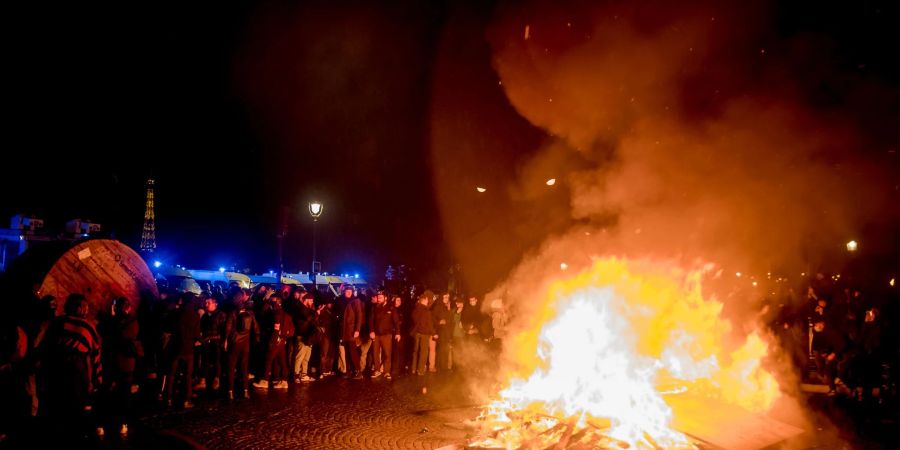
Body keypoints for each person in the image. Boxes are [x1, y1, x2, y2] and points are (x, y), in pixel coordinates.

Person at [39, 294, 102, 437]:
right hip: (74, 372)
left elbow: (46, 348)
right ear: (78, 307)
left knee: (60, 407)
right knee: (73, 408)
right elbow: (95, 354)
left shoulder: (58, 322)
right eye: (84, 306)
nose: (86, 310)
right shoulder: (86, 326)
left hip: (60, 370)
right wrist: (97, 378)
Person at [99, 297, 141, 436]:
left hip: (110, 361)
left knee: (106, 391)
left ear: (115, 308)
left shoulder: (108, 322)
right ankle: (123, 423)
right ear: (128, 308)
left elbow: (102, 332)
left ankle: (102, 423)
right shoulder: (132, 322)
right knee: (124, 393)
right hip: (126, 363)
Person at [165, 294, 201, 408]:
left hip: (175, 347)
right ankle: (186, 399)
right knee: (188, 375)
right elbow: (196, 334)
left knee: (171, 374)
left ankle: (168, 398)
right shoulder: (195, 315)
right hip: (188, 349)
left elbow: (168, 328)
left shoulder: (175, 313)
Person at [225, 291, 260, 400]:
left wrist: (225, 340)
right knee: (244, 368)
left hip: (234, 342)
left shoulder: (232, 312)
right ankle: (245, 391)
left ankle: (230, 392)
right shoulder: (250, 312)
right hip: (246, 343)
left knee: (231, 367)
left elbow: (228, 327)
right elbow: (256, 328)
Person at [198, 296, 226, 392]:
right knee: (205, 361)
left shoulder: (221, 315)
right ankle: (203, 381)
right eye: (206, 302)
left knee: (217, 361)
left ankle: (216, 379)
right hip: (206, 343)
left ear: (215, 303)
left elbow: (223, 332)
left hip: (216, 343)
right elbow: (201, 328)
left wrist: (209, 338)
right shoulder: (205, 316)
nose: (206, 305)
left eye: (208, 303)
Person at [370, 291, 399, 379]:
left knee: (387, 354)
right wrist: (371, 331)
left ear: (385, 298)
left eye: (381, 297)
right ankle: (377, 370)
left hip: (387, 334)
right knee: (375, 354)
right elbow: (371, 321)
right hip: (376, 335)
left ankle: (387, 372)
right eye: (378, 297)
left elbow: (396, 321)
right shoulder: (374, 308)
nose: (379, 299)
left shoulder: (391, 308)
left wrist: (398, 333)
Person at [337, 286, 364, 379]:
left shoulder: (355, 301)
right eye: (347, 291)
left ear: (352, 292)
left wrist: (357, 330)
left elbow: (359, 316)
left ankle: (358, 371)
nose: (348, 292)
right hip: (344, 331)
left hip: (351, 330)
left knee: (353, 352)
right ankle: (350, 371)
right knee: (347, 352)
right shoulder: (342, 300)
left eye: (350, 291)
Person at [410, 294, 435, 376]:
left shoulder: (415, 310)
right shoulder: (426, 311)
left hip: (416, 333)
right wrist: (433, 333)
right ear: (424, 300)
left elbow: (413, 321)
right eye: (427, 300)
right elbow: (430, 324)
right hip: (425, 333)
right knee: (423, 352)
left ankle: (413, 368)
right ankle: (420, 370)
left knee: (415, 351)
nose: (428, 301)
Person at [316, 301, 335, 377]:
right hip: (325, 335)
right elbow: (317, 320)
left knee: (330, 353)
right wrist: (320, 328)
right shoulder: (323, 311)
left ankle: (328, 369)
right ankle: (322, 370)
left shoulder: (333, 311)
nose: (330, 304)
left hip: (332, 334)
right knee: (324, 353)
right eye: (329, 302)